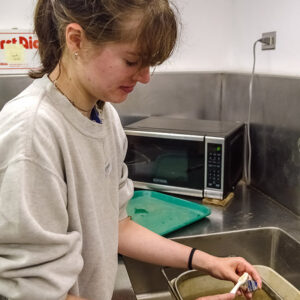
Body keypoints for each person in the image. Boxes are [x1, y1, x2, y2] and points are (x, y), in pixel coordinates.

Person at [0, 0, 262, 299]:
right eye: (132, 60)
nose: (146, 76)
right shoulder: (33, 132)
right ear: (76, 40)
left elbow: (119, 227)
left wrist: (207, 261)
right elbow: (36, 294)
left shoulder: (104, 116)